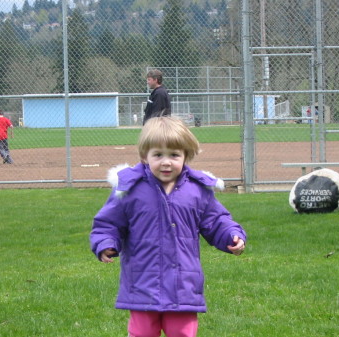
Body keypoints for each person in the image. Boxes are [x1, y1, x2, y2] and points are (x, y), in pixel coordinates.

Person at [90, 117, 247, 337]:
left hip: (183, 284)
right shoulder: (129, 190)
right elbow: (108, 223)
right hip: (142, 281)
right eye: (158, 155)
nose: (166, 162)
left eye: (174, 155)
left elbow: (216, 220)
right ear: (145, 156)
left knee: (182, 332)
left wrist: (231, 235)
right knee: (142, 332)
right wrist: (105, 243)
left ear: (186, 155)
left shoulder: (197, 191)